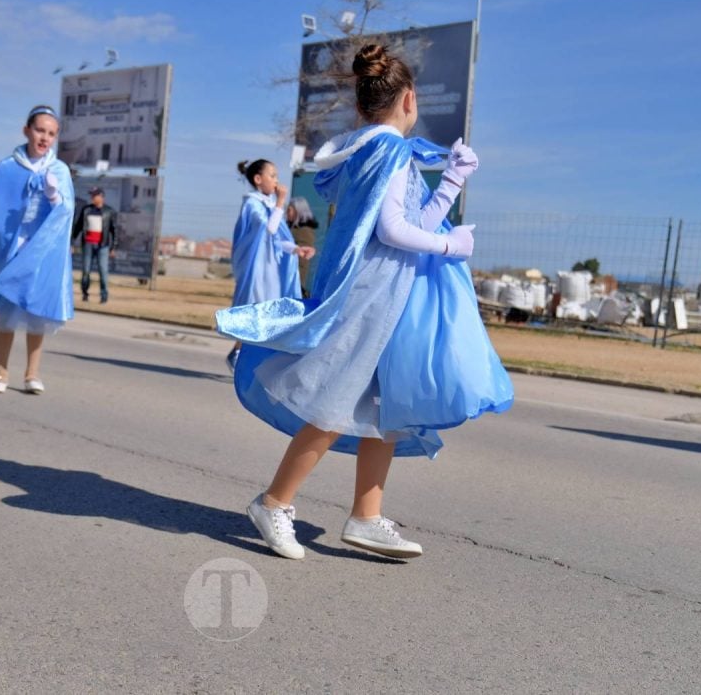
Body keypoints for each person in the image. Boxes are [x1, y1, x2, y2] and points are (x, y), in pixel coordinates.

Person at [216, 43, 513, 561]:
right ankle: (274, 502)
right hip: (374, 297)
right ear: (410, 98)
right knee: (334, 401)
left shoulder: (368, 149)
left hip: (387, 296)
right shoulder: (391, 151)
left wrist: (452, 182)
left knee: (384, 405)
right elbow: (397, 230)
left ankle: (367, 516)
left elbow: (410, 220)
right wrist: (452, 244)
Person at [0, 104, 74, 395]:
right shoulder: (7, 167)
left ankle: (32, 373)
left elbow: (66, 213)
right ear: (27, 130)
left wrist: (54, 196)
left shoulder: (59, 170)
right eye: (40, 130)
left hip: (41, 250)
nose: (44, 138)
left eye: (51, 133)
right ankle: (1, 372)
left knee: (37, 312)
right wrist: (6, 235)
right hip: (12, 247)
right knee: (7, 313)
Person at [225, 158, 315, 371]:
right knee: (255, 310)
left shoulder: (267, 205)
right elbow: (268, 230)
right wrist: (280, 202)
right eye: (272, 175)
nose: (276, 181)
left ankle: (247, 357)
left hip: (271, 270)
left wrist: (296, 249)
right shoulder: (252, 204)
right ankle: (239, 353)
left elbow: (275, 240)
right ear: (258, 179)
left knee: (268, 313)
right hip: (258, 270)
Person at [72, 185, 118, 303]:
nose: (92, 198)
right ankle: (85, 293)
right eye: (91, 195)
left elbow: (114, 231)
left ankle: (104, 295)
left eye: (95, 195)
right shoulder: (86, 210)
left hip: (102, 245)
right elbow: (78, 227)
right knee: (86, 271)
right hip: (88, 244)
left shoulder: (109, 211)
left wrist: (113, 247)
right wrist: (72, 242)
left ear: (101, 196)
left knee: (103, 271)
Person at [286, 196, 319, 297]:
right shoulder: (291, 228)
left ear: (298, 211)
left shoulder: (304, 230)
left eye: (289, 210)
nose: (286, 213)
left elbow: (303, 257)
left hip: (295, 276)